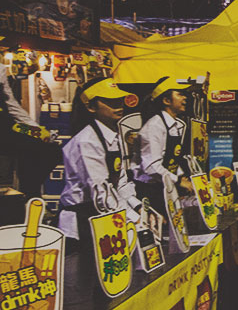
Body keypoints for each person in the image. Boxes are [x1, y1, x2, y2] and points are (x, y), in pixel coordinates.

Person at [59, 78, 141, 244]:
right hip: (81, 223)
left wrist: (139, 207)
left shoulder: (114, 137)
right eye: (109, 101)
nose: (118, 105)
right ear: (91, 107)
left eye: (119, 99)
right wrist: (133, 219)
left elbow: (121, 183)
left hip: (105, 215)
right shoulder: (87, 141)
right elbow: (101, 194)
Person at [134, 77, 193, 215]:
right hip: (150, 191)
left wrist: (181, 175)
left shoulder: (176, 125)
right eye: (179, 94)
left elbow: (169, 157)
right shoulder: (154, 126)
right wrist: (178, 180)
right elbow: (151, 167)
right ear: (166, 101)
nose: (185, 98)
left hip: (165, 186)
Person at [0, 70, 61, 200]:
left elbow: (11, 105)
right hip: (5, 129)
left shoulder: (0, 69)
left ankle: (30, 194)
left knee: (52, 149)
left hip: (6, 125)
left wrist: (37, 130)